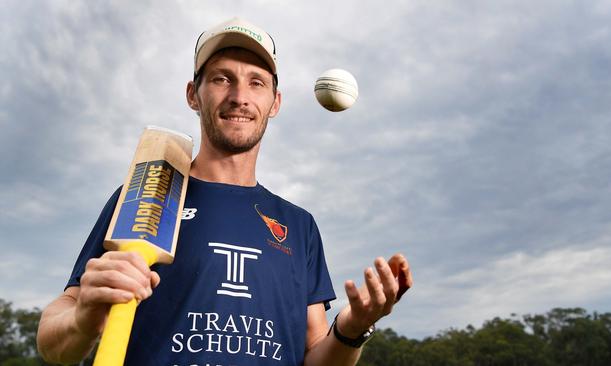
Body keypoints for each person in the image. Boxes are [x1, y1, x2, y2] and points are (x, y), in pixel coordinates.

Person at [37, 17, 413, 365]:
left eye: (256, 82)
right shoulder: (148, 195)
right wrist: (84, 318)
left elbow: (315, 356)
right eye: (221, 78)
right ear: (193, 95)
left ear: (274, 103)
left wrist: (352, 329)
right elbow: (54, 344)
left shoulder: (298, 226)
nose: (239, 96)